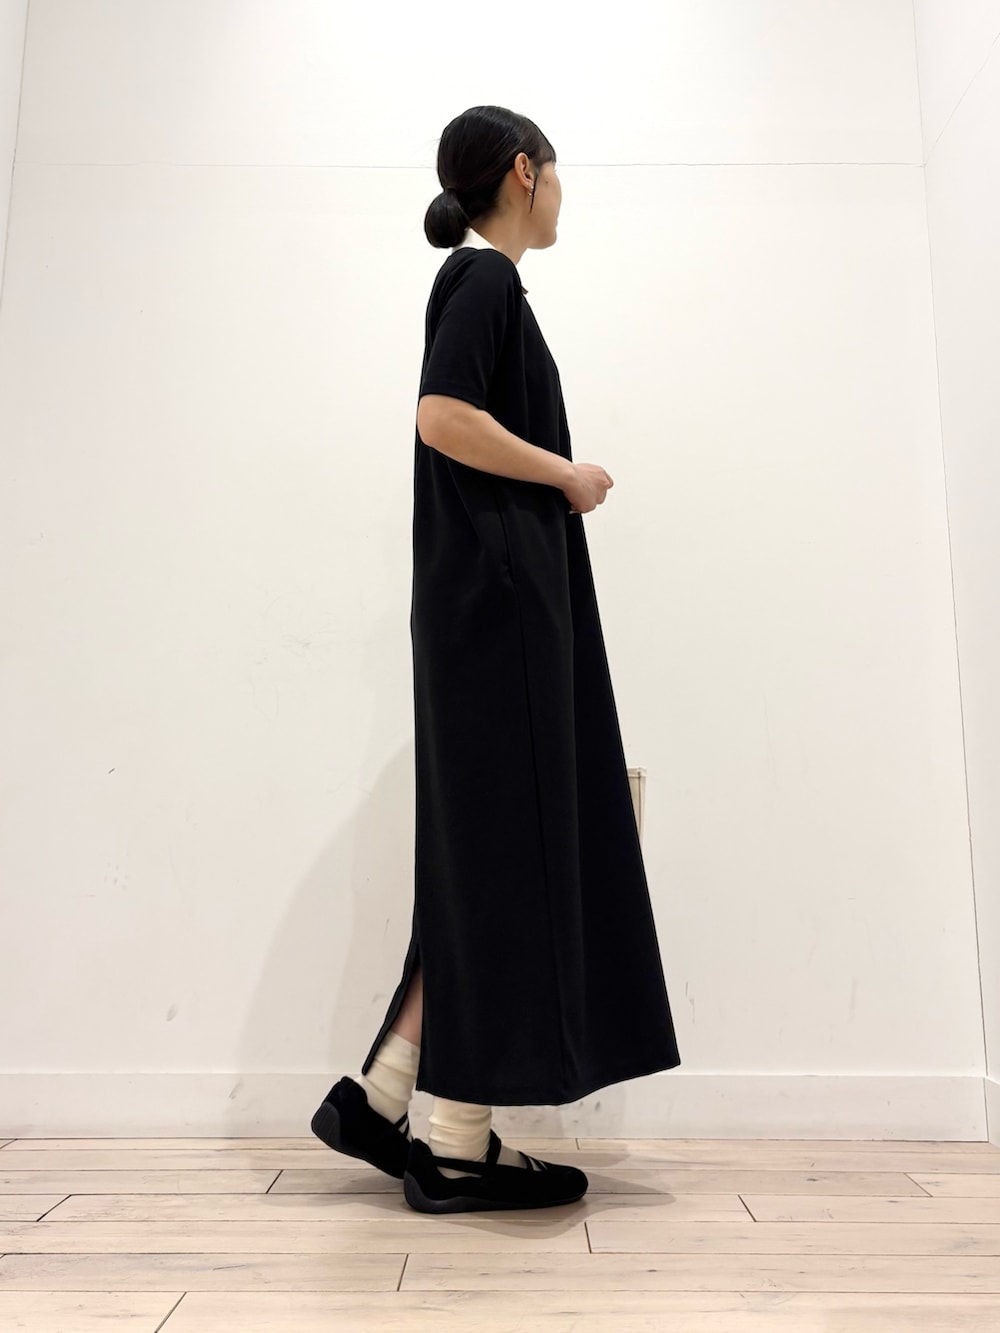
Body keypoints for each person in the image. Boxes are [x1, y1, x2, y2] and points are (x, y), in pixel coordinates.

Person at [311, 106, 681, 1214]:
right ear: (524, 172)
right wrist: (563, 473)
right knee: (507, 861)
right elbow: (441, 416)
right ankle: (453, 1141)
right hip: (499, 619)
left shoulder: (482, 286)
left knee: (485, 863)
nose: (562, 193)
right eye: (556, 173)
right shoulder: (482, 280)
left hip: (488, 617)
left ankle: (389, 1099)